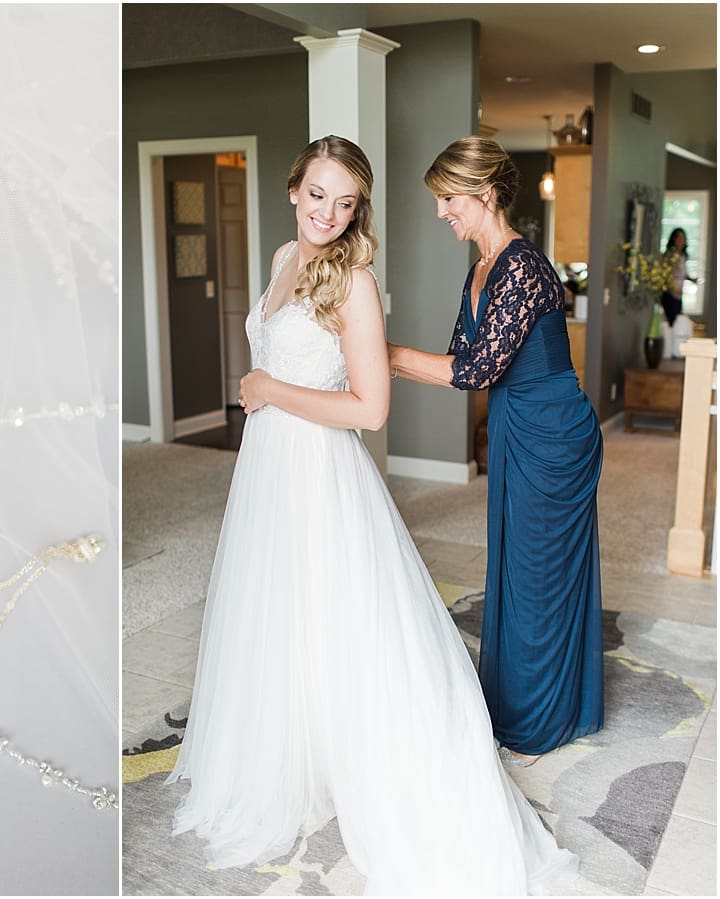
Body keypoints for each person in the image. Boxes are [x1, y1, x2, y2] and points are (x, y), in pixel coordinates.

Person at [167, 135, 578, 893]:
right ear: (293, 191)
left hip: (320, 467)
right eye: (317, 194)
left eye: (345, 202)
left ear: (358, 212)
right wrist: (273, 388)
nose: (327, 213)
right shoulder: (280, 261)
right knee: (277, 611)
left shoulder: (355, 281)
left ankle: (448, 740)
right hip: (268, 466)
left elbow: (372, 408)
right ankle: (293, 750)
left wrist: (270, 387)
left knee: (346, 616)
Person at [388, 137, 604, 770]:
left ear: (483, 193)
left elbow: (476, 370)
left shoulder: (524, 268)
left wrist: (384, 353)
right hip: (515, 427)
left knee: (538, 580)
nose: (440, 212)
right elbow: (461, 359)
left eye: (447, 199)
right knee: (513, 571)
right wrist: (388, 359)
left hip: (552, 434)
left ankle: (539, 725)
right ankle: (518, 706)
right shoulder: (481, 267)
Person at [661, 227, 689, 326]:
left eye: (683, 238)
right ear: (673, 239)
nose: (681, 240)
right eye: (678, 237)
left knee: (677, 322)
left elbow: (682, 273)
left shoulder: (683, 256)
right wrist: (672, 289)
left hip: (679, 294)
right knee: (670, 322)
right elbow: (665, 274)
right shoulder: (669, 255)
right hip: (670, 293)